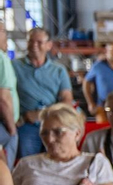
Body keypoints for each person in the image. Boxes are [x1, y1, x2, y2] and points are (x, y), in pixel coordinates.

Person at [12, 29, 75, 160]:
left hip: (54, 123)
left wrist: (42, 114)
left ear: (49, 45)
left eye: (39, 42)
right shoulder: (14, 66)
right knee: (28, 162)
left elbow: (67, 99)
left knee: (58, 159)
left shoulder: (58, 70)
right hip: (26, 125)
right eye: (31, 41)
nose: (34, 45)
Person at [0, 39, 16, 166]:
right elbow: (3, 98)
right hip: (4, 124)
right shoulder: (1, 57)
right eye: (3, 32)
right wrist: (12, 129)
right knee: (5, 170)